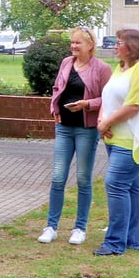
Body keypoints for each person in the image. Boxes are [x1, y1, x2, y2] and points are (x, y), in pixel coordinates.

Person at [37, 28, 112, 246]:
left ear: (90, 45)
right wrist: (55, 109)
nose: (74, 47)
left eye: (78, 43)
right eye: (72, 43)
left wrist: (87, 104)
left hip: (86, 129)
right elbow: (56, 88)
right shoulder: (66, 63)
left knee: (83, 178)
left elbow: (108, 98)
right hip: (64, 128)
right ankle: (51, 226)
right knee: (58, 177)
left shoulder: (102, 69)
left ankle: (80, 228)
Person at [94, 29, 139, 256]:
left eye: (119, 43)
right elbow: (109, 96)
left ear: (132, 45)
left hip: (137, 137)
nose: (115, 46)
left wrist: (107, 123)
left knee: (115, 184)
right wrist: (103, 120)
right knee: (130, 186)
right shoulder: (122, 67)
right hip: (116, 136)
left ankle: (114, 243)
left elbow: (135, 105)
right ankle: (133, 239)